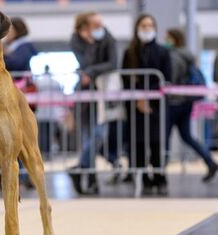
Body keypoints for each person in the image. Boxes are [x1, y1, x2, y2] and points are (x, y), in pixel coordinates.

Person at [68, 12, 118, 195]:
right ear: (85, 26)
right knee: (88, 137)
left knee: (98, 135)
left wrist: (90, 72)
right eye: (95, 24)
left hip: (102, 92)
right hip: (84, 94)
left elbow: (113, 63)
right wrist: (89, 44)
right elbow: (84, 62)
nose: (99, 27)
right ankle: (91, 180)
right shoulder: (76, 39)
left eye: (100, 23)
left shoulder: (107, 37)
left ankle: (78, 169)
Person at [122, 14, 172, 195]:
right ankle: (142, 178)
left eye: (150, 25)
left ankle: (160, 177)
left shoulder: (163, 52)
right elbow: (125, 79)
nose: (147, 28)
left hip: (157, 107)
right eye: (144, 25)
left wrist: (149, 98)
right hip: (135, 108)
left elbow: (166, 79)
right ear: (137, 28)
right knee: (138, 143)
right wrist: (138, 99)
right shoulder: (130, 53)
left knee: (157, 142)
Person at [165, 28, 218, 182]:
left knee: (166, 137)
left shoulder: (174, 56)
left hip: (175, 103)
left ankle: (160, 172)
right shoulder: (187, 55)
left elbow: (171, 79)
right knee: (187, 136)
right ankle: (209, 160)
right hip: (187, 102)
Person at [3, 17, 37, 189]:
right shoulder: (13, 46)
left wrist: (1, 54)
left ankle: (27, 175)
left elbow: (14, 63)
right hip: (12, 96)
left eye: (9, 30)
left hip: (21, 98)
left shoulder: (24, 46)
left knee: (24, 139)